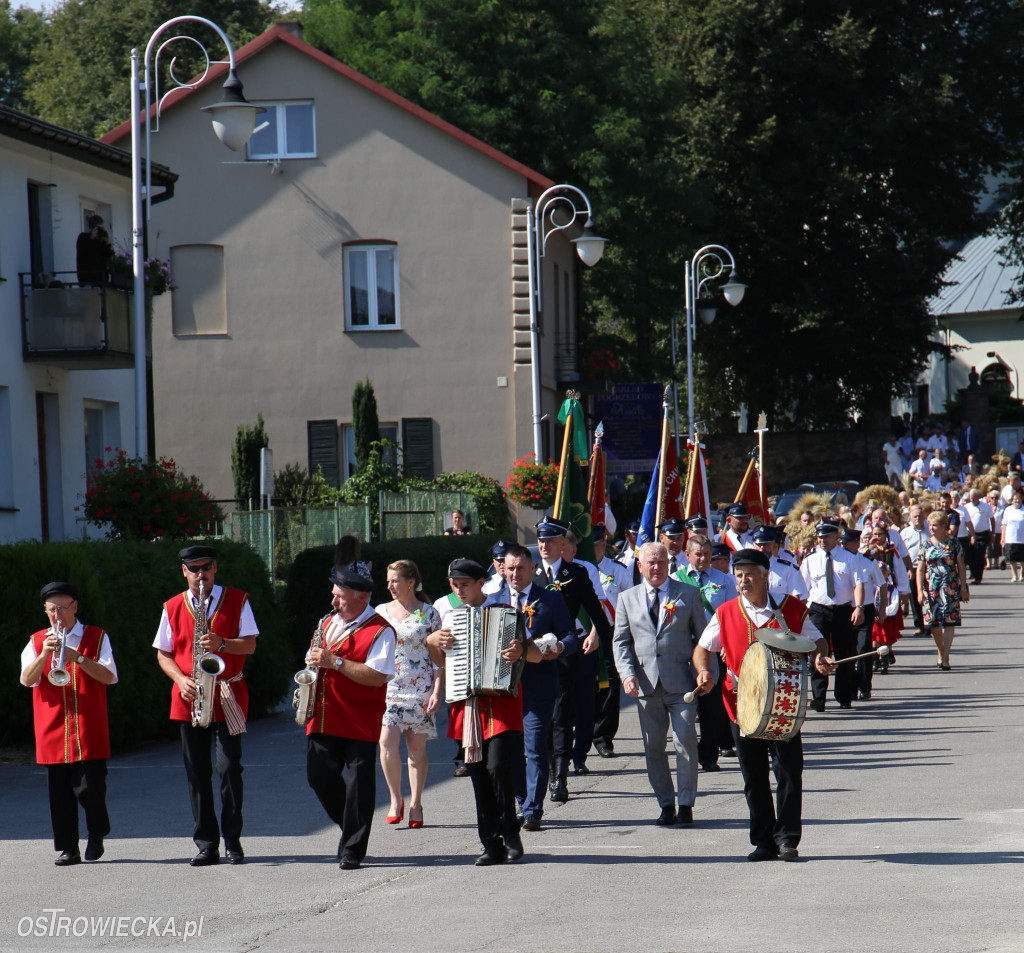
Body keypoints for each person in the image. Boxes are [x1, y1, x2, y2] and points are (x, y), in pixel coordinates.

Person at [693, 549, 834, 861]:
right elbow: (702, 649)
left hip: (784, 702)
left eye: (749, 575)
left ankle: (787, 840)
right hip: (741, 705)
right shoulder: (726, 612)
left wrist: (821, 658)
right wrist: (705, 672)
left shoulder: (792, 609)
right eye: (739, 575)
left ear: (765, 575)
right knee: (754, 777)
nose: (743, 581)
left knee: (788, 772)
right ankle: (763, 841)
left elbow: (817, 641)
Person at [154, 546, 258, 866]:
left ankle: (233, 840)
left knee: (228, 768)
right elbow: (163, 654)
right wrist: (179, 679)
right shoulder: (172, 606)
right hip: (190, 696)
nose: (202, 575)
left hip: (227, 694)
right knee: (196, 773)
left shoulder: (238, 600)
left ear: (216, 568)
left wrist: (222, 643)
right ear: (184, 571)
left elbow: (251, 644)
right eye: (194, 569)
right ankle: (206, 843)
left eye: (207, 568)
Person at [426, 558, 525, 865]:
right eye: (454, 586)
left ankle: (511, 833)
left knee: (498, 768)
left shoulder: (504, 612)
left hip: (501, 705)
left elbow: (524, 650)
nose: (459, 591)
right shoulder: (449, 617)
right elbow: (440, 662)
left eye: (464, 585)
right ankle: (490, 843)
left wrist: (518, 649)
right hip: (467, 706)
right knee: (478, 774)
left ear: (482, 582)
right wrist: (431, 641)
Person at [304, 567, 395, 870]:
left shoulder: (381, 630)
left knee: (359, 786)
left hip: (359, 719)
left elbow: (377, 676)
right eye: (334, 595)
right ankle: (351, 826)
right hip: (324, 715)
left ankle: (353, 848)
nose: (333, 602)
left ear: (362, 597)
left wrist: (335, 662)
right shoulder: (326, 623)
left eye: (340, 597)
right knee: (318, 777)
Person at [21, 582, 117, 866]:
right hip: (53, 729)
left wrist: (79, 657)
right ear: (45, 611)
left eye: (63, 608)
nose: (57, 615)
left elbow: (109, 676)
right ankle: (68, 848)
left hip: (89, 728)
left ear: (75, 607)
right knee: (59, 794)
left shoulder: (97, 637)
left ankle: (97, 833)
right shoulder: (37, 640)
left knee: (90, 789)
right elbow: (27, 680)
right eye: (52, 610)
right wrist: (43, 656)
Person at [612, 541, 705, 826]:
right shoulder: (627, 598)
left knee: (685, 741)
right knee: (653, 748)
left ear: (669, 564)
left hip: (682, 685)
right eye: (650, 562)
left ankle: (686, 803)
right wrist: (627, 674)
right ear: (639, 566)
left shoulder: (688, 594)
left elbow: (703, 639)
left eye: (661, 562)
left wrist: (705, 673)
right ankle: (666, 804)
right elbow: (621, 643)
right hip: (645, 686)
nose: (656, 567)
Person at [532, 517, 612, 806]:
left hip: (565, 653)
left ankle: (560, 775)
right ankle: (542, 772)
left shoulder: (576, 573)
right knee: (539, 717)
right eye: (540, 541)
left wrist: (609, 647)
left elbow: (596, 612)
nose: (544, 546)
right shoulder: (531, 574)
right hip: (532, 656)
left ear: (562, 544)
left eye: (550, 541)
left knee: (562, 713)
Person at [499, 545, 575, 832]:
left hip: (539, 685)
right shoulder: (494, 600)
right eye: (510, 568)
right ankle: (521, 800)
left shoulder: (550, 600)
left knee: (534, 748)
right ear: (503, 569)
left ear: (533, 569)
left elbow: (570, 636)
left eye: (521, 568)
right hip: (502, 688)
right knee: (510, 751)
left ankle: (533, 810)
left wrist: (558, 646)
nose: (515, 573)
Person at [375, 561, 441, 830]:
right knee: (386, 742)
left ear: (410, 582)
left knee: (416, 749)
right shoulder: (380, 612)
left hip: (421, 688)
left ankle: (415, 803)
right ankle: (395, 799)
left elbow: (439, 657)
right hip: (390, 689)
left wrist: (436, 691)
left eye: (395, 581)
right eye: (388, 581)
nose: (390, 586)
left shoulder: (429, 613)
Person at [673, 533, 737, 772]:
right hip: (684, 648)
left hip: (712, 648)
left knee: (712, 706)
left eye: (707, 554)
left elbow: (732, 616)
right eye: (698, 554)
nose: (703, 558)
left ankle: (709, 755)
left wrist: (727, 647)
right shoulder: (675, 580)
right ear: (687, 555)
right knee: (685, 704)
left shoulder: (725, 580)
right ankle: (687, 754)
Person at [799, 520, 867, 711]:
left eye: (826, 536)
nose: (822, 540)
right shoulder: (810, 560)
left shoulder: (849, 558)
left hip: (842, 610)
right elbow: (804, 590)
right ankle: (819, 697)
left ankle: (844, 696)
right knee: (819, 653)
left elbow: (858, 584)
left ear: (836, 536)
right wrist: (803, 614)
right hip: (818, 610)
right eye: (819, 537)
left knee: (844, 653)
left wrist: (859, 607)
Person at [591, 525, 634, 759]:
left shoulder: (617, 570)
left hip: (611, 632)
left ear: (604, 543)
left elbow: (630, 603)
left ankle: (604, 737)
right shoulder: (577, 569)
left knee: (609, 685)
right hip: (583, 635)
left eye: (597, 543)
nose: (594, 547)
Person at [917, 511, 969, 671]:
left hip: (950, 587)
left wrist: (963, 587)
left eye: (935, 525)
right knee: (932, 623)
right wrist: (919, 590)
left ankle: (945, 656)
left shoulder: (954, 543)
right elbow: (920, 569)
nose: (931, 528)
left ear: (944, 526)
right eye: (930, 525)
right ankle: (940, 650)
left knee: (949, 622)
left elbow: (960, 566)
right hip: (931, 588)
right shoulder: (926, 544)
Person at [900, 504, 929, 634]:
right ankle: (919, 625)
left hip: (928, 569)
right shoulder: (905, 532)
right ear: (910, 518)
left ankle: (930, 624)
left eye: (920, 516)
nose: (918, 518)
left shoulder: (930, 530)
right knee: (914, 597)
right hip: (912, 568)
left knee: (928, 596)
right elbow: (901, 552)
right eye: (915, 516)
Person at [963, 489, 994, 584]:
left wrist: (992, 533)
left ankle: (978, 577)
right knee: (971, 555)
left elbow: (992, 519)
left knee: (980, 555)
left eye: (974, 498)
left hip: (982, 534)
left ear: (978, 497)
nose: (972, 499)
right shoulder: (966, 507)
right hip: (969, 534)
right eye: (970, 498)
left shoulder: (985, 507)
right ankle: (973, 573)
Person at [76, 214, 111, 285]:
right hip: (87, 278)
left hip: (101, 278)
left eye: (103, 228)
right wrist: (91, 238)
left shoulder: (101, 240)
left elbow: (108, 256)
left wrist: (107, 243)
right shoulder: (83, 237)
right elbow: (82, 253)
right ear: (92, 228)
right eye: (99, 229)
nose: (101, 231)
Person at [1000, 491, 1024, 581]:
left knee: (1022, 559)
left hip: (1022, 538)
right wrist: (1003, 537)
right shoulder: (1008, 510)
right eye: (1015, 499)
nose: (1017, 501)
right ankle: (1014, 575)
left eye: (1018, 499)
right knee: (1012, 558)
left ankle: (1022, 574)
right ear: (1012, 501)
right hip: (1010, 538)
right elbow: (1004, 524)